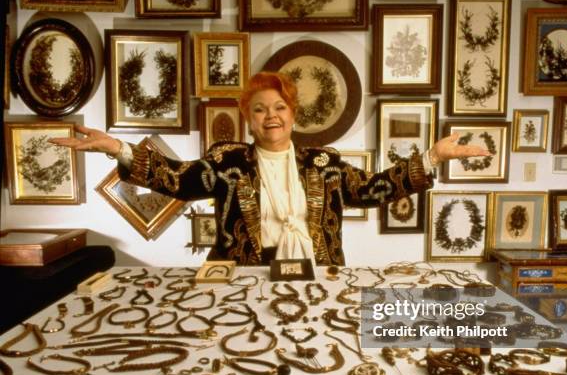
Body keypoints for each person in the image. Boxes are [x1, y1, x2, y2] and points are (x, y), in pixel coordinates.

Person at [51, 71, 490, 265]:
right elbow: (179, 181)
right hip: (242, 280)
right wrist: (119, 149)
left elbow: (374, 189)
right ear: (248, 117)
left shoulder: (326, 163)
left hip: (318, 275)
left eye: (279, 107)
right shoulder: (227, 161)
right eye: (259, 109)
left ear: (293, 114)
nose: (271, 116)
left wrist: (431, 158)